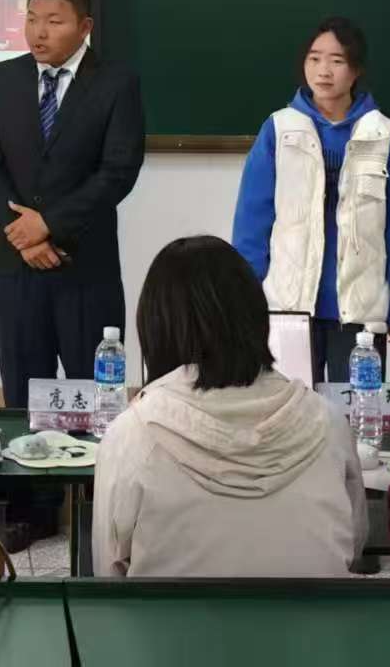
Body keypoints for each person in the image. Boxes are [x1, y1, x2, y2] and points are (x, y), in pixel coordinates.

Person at [94, 236, 366, 577]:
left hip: (171, 615)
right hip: (315, 613)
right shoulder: (329, 423)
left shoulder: (132, 433)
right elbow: (355, 544)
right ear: (257, 318)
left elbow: (107, 571)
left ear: (156, 327)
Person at [0, 0, 146, 401]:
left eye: (53, 21)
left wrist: (48, 224)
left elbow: (118, 171)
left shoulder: (116, 83)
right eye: (31, 19)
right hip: (14, 265)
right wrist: (22, 235)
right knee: (21, 394)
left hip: (84, 265)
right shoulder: (1, 78)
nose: (39, 32)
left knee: (95, 395)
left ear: (84, 27)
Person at [231, 16, 390, 380]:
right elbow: (251, 221)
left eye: (337, 60)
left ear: (356, 70)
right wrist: (246, 294)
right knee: (290, 408)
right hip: (289, 306)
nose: (323, 70)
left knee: (355, 409)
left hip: (360, 311)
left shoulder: (383, 133)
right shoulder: (279, 129)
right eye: (314, 58)